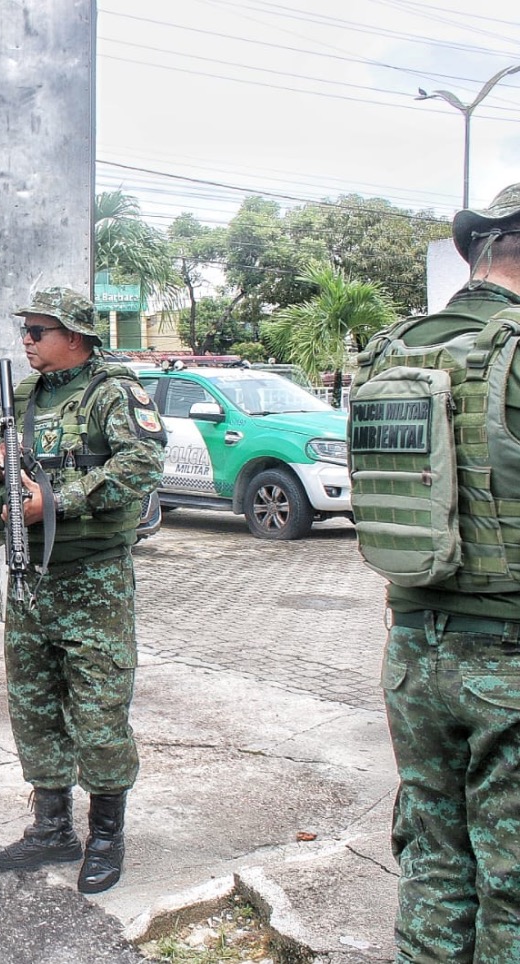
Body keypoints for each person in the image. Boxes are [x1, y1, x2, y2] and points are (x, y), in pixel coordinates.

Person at [348, 184, 520, 963]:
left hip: (415, 647)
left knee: (433, 854)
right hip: (508, 655)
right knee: (511, 882)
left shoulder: (394, 347)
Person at [0, 286, 164, 894]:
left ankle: (107, 835)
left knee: (99, 711)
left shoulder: (112, 391)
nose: (25, 341)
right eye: (25, 331)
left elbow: (143, 465)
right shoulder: (24, 395)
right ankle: (52, 826)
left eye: (36, 331)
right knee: (33, 704)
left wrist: (55, 500)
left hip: (92, 580)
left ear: (73, 336)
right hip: (31, 582)